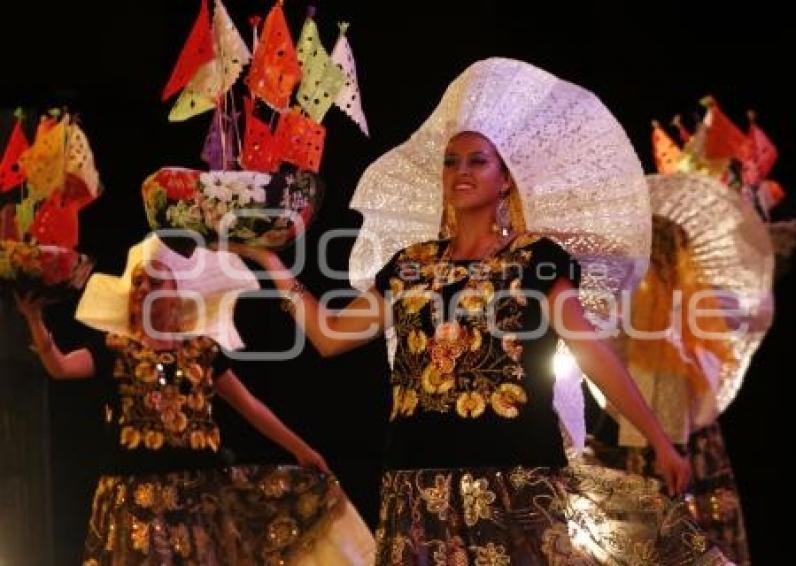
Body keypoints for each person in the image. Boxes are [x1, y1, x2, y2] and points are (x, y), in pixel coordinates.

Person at [225, 58, 731, 564]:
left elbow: (592, 351)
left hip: (513, 478)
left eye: (477, 161)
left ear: (505, 179)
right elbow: (329, 336)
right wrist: (271, 263)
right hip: (416, 481)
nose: (460, 171)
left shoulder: (537, 259)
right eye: (451, 161)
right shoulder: (411, 265)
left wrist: (658, 439)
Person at [15, 234, 374, 565]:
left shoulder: (202, 350)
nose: (145, 287)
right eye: (139, 282)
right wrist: (35, 320)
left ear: (176, 294)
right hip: (132, 497)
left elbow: (250, 406)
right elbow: (60, 367)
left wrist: (301, 450)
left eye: (156, 281)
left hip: (198, 498)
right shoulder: (113, 349)